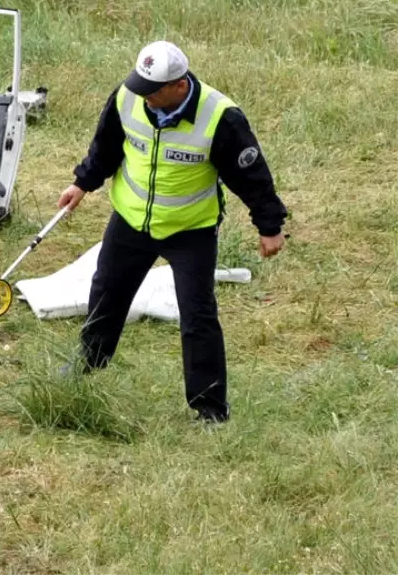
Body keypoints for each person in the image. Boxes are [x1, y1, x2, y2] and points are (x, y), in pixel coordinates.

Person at [56, 41, 287, 424]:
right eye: (140, 86)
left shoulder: (220, 118)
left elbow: (251, 176)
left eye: (152, 91)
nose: (142, 97)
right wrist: (83, 183)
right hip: (131, 222)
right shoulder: (128, 98)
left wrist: (270, 227)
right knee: (106, 294)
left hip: (190, 231)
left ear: (179, 86)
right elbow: (107, 147)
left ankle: (210, 408)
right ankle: (87, 368)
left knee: (197, 316)